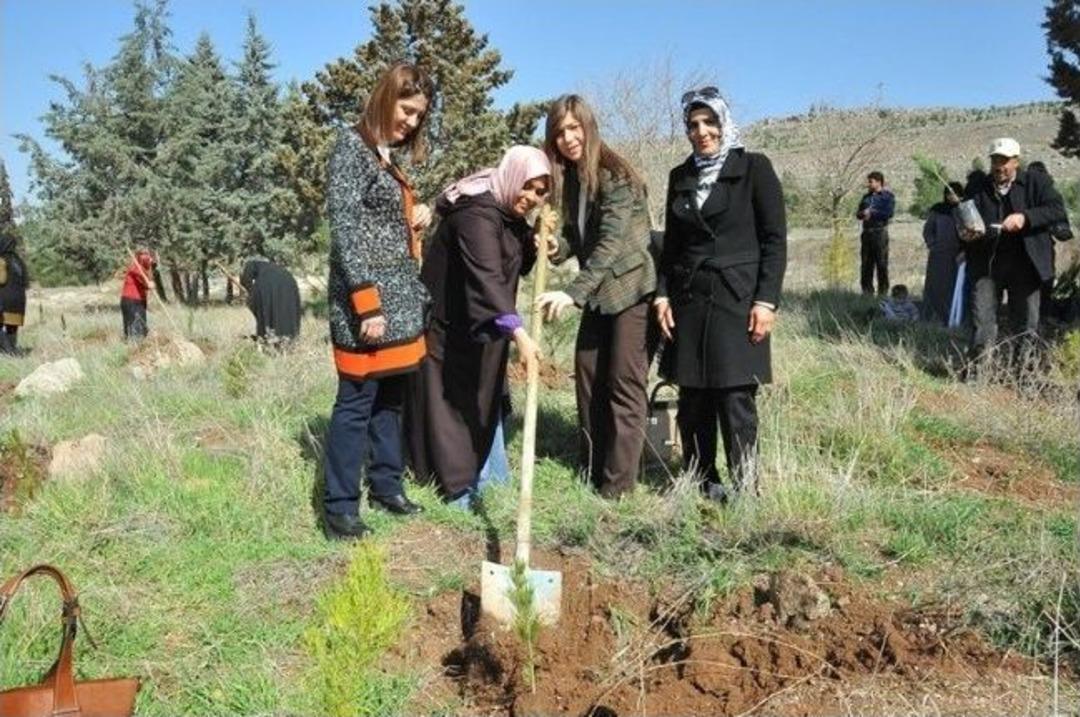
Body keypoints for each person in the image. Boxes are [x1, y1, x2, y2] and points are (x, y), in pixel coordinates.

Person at [654, 88, 787, 501]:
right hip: (689, 299)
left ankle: (747, 489)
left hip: (737, 299)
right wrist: (661, 296)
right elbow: (671, 245)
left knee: (735, 397)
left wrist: (766, 300)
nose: (701, 132)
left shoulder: (754, 168)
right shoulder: (681, 176)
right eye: (693, 125)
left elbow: (774, 240)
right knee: (693, 396)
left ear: (724, 122)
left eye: (709, 122)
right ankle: (702, 481)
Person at [322, 63, 435, 540]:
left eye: (418, 117)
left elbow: (381, 222)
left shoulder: (384, 155)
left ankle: (387, 486)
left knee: (391, 398)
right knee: (356, 402)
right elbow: (347, 232)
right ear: (386, 97)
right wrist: (367, 304)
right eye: (406, 110)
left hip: (400, 302)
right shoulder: (351, 148)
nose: (410, 122)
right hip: (367, 306)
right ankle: (340, 508)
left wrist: (417, 212)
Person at [410, 145, 550, 506]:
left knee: (486, 401)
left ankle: (491, 480)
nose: (532, 197)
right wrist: (518, 332)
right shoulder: (476, 214)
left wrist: (537, 242)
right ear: (512, 176)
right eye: (528, 187)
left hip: (486, 326)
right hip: (449, 328)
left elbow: (514, 264)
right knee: (454, 409)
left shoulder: (508, 214)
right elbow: (486, 277)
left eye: (539, 191)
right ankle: (458, 491)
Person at [535, 94, 657, 499]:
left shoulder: (614, 174)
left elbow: (610, 245)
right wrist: (558, 249)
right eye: (560, 131)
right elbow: (580, 236)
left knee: (623, 383)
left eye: (574, 128)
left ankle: (618, 486)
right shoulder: (573, 178)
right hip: (599, 292)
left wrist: (572, 294)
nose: (568, 138)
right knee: (587, 375)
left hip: (629, 290)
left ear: (589, 126)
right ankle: (592, 468)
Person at [960, 138, 1069, 379]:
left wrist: (1025, 218)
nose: (1000, 166)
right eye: (995, 160)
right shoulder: (978, 186)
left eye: (1005, 161)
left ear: (1016, 161)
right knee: (982, 323)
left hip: (1026, 266)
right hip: (987, 264)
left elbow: (1056, 210)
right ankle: (977, 374)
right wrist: (967, 235)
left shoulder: (1036, 182)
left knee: (1027, 324)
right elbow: (966, 219)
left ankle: (1024, 377)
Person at [921, 182, 964, 324]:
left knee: (953, 288)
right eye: (949, 193)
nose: (952, 197)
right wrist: (933, 245)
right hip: (938, 255)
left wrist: (964, 252)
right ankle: (931, 318)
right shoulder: (938, 210)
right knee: (935, 286)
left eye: (955, 193)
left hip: (957, 256)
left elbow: (969, 233)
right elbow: (928, 230)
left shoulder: (964, 210)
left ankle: (951, 319)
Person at [239, 257, 302, 345]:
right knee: (287, 308)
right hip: (289, 280)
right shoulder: (275, 267)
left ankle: (268, 336)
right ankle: (290, 337)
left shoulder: (251, 263)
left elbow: (246, 278)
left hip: (267, 283)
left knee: (267, 310)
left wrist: (250, 292)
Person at [856, 171, 895, 295]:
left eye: (870, 181)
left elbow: (889, 213)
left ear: (878, 182)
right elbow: (858, 214)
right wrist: (863, 214)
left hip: (880, 233)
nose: (868, 184)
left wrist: (872, 213)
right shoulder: (866, 197)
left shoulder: (887, 197)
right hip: (866, 234)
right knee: (866, 264)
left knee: (881, 263)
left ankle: (882, 292)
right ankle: (867, 291)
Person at [0, 228, 29, 355]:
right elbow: (26, 282)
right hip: (20, 300)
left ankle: (9, 351)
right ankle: (12, 351)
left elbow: (1, 280)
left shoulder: (2, 260)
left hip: (5, 298)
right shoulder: (19, 261)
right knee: (12, 327)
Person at [120, 249, 155, 340]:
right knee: (135, 330)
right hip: (131, 301)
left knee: (142, 329)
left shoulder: (145, 269)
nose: (150, 260)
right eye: (148, 258)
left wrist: (149, 282)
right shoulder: (135, 268)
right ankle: (134, 349)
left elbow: (147, 279)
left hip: (139, 301)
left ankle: (139, 346)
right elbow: (141, 278)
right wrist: (148, 283)